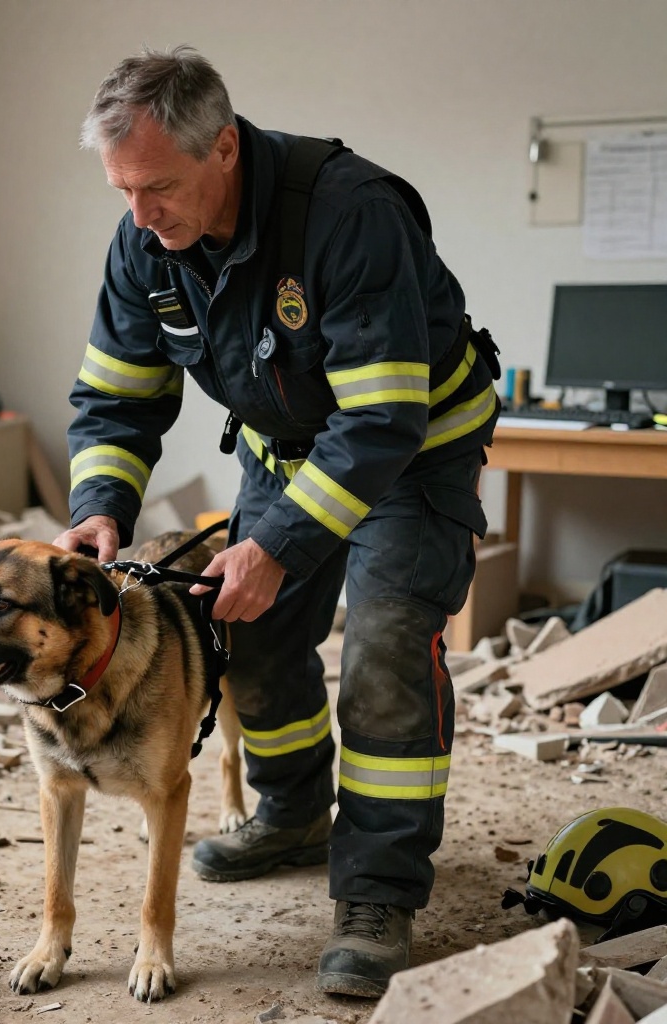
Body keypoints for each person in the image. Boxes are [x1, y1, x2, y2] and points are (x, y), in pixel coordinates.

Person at [54, 45, 499, 998]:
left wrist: (280, 546)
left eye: (158, 187)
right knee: (243, 633)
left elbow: (381, 421)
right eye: (122, 190)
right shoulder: (145, 241)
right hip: (286, 449)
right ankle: (295, 812)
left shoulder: (351, 214)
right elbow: (117, 397)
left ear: (223, 147)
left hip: (414, 451)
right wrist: (98, 510)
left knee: (384, 649)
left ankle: (377, 892)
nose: (140, 215)